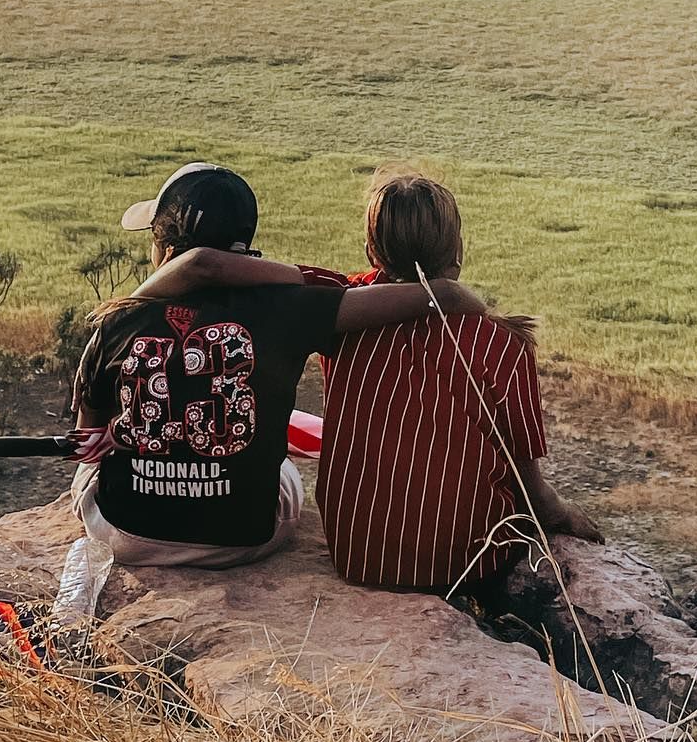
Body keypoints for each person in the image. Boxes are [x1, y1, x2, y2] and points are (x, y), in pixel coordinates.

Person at [136, 170, 601, 593]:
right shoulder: (500, 343)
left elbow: (209, 265)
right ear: (457, 250)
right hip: (466, 564)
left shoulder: (338, 307)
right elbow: (530, 485)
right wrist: (563, 516)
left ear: (370, 251)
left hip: (355, 555)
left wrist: (124, 313)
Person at [71, 162, 485, 568]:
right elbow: (430, 296)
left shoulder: (115, 322)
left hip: (124, 536)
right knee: (283, 467)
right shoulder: (288, 306)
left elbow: (85, 442)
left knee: (95, 465)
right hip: (243, 539)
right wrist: (453, 295)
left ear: (164, 250)